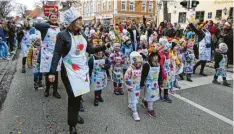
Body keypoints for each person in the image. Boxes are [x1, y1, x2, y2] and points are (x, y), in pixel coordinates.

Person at [48, 6, 110, 134]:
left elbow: (90, 50)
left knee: (78, 95)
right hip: (69, 71)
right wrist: (52, 72)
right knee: (73, 97)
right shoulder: (62, 35)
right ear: (72, 21)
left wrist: (104, 46)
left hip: (82, 70)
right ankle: (72, 125)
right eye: (79, 19)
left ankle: (75, 115)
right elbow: (56, 54)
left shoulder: (82, 34)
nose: (82, 21)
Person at [35, 12, 61, 99]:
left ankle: (55, 91)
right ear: (49, 18)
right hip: (46, 54)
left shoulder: (59, 28)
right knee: (48, 72)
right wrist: (49, 26)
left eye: (55, 17)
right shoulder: (45, 27)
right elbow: (36, 25)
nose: (54, 18)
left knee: (55, 72)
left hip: (56, 54)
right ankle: (47, 90)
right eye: (52, 17)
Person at [140, 47, 161, 118]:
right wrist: (142, 83)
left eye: (156, 56)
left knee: (153, 96)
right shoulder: (147, 65)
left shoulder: (158, 64)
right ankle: (150, 109)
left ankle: (145, 101)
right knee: (150, 97)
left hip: (155, 84)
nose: (155, 58)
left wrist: (160, 82)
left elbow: (159, 74)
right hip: (148, 84)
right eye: (153, 56)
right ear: (150, 56)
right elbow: (143, 75)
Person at [124, 51, 143, 121]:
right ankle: (135, 112)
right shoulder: (130, 69)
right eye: (137, 62)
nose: (139, 64)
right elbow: (126, 78)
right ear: (133, 62)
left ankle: (130, 104)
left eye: (140, 62)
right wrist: (129, 86)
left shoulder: (141, 68)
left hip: (138, 86)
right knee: (134, 99)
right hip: (132, 86)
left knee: (136, 98)